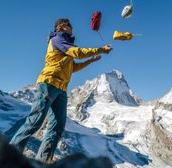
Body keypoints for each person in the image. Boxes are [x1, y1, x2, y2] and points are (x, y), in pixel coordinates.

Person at [10, 18, 113, 162]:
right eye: (68, 25)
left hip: (61, 89)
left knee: (58, 126)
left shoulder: (66, 45)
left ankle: (42, 161)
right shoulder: (58, 39)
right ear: (61, 27)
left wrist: (90, 61)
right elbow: (78, 52)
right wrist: (101, 49)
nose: (71, 28)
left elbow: (73, 67)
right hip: (48, 83)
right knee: (35, 121)